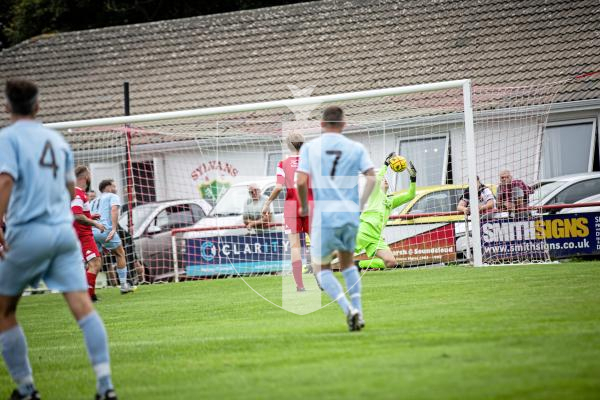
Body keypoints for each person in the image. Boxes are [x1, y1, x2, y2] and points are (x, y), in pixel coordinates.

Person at [0, 79, 117, 399]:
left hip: (27, 233)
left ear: (7, 107)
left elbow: (6, 182)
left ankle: (26, 389)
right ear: (38, 107)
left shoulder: (7, 139)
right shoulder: (57, 141)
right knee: (83, 309)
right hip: (62, 233)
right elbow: (68, 191)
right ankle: (105, 386)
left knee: (5, 311)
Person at [297, 105, 376, 332]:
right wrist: (360, 205)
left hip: (325, 215)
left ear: (321, 125)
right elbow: (371, 178)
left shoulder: (310, 148)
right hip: (349, 214)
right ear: (343, 124)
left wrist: (303, 206)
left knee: (321, 267)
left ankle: (347, 309)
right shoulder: (356, 148)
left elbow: (301, 181)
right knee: (348, 263)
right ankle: (359, 311)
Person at [262, 132, 312, 291]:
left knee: (295, 246)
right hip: (310, 204)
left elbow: (278, 187)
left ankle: (300, 285)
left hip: (291, 205)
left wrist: (267, 203)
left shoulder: (282, 163)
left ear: (288, 145)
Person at [355, 154, 417, 270]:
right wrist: (386, 164)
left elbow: (411, 195)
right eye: (384, 180)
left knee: (391, 262)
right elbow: (377, 178)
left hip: (376, 236)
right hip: (364, 229)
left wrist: (413, 179)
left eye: (386, 180)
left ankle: (358, 264)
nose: (385, 181)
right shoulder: (375, 193)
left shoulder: (391, 201)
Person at [91, 179, 136, 294]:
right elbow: (114, 209)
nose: (116, 188)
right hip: (105, 229)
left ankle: (89, 289)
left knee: (95, 261)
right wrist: (114, 228)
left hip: (92, 231)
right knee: (120, 253)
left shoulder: (94, 201)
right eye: (114, 186)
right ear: (108, 187)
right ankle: (123, 285)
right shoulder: (112, 196)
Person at [72, 166, 106, 302]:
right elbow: (77, 216)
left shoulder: (76, 193)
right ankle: (88, 296)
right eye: (90, 175)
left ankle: (88, 294)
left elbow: (79, 214)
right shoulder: (78, 194)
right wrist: (95, 224)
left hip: (80, 234)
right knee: (95, 263)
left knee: (94, 263)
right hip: (83, 235)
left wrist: (91, 216)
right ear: (86, 177)